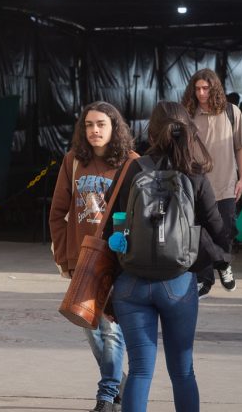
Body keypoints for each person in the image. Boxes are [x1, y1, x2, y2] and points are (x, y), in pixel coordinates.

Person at [107, 101, 225, 412]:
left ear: (151, 130)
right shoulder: (195, 172)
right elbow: (218, 227)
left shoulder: (133, 168)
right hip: (179, 284)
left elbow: (113, 221)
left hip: (131, 282)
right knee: (182, 371)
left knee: (141, 371)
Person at [49, 101, 138, 412]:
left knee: (112, 329)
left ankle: (106, 395)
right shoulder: (73, 161)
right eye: (88, 125)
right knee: (90, 327)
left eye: (101, 124)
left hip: (118, 261)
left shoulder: (131, 163)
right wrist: (64, 257)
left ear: (115, 128)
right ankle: (121, 387)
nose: (94, 130)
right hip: (83, 260)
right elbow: (58, 213)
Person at [182, 69, 242, 294]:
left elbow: (240, 147)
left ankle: (224, 265)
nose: (201, 93)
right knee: (199, 231)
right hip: (197, 183)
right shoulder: (188, 114)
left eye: (205, 88)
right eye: (197, 89)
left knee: (225, 229)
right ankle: (204, 278)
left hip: (226, 181)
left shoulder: (231, 112)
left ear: (214, 88)